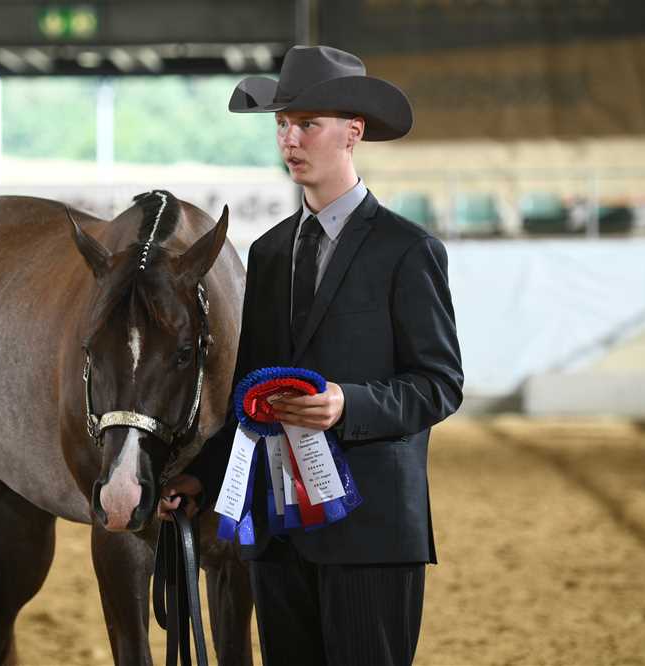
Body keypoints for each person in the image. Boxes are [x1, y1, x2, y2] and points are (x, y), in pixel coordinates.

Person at [158, 45, 464, 666]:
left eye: (308, 124)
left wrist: (347, 404)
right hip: (280, 533)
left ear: (353, 132)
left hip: (372, 534)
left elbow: (439, 384)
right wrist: (205, 477)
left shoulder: (408, 250)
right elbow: (252, 395)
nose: (290, 140)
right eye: (282, 125)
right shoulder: (269, 253)